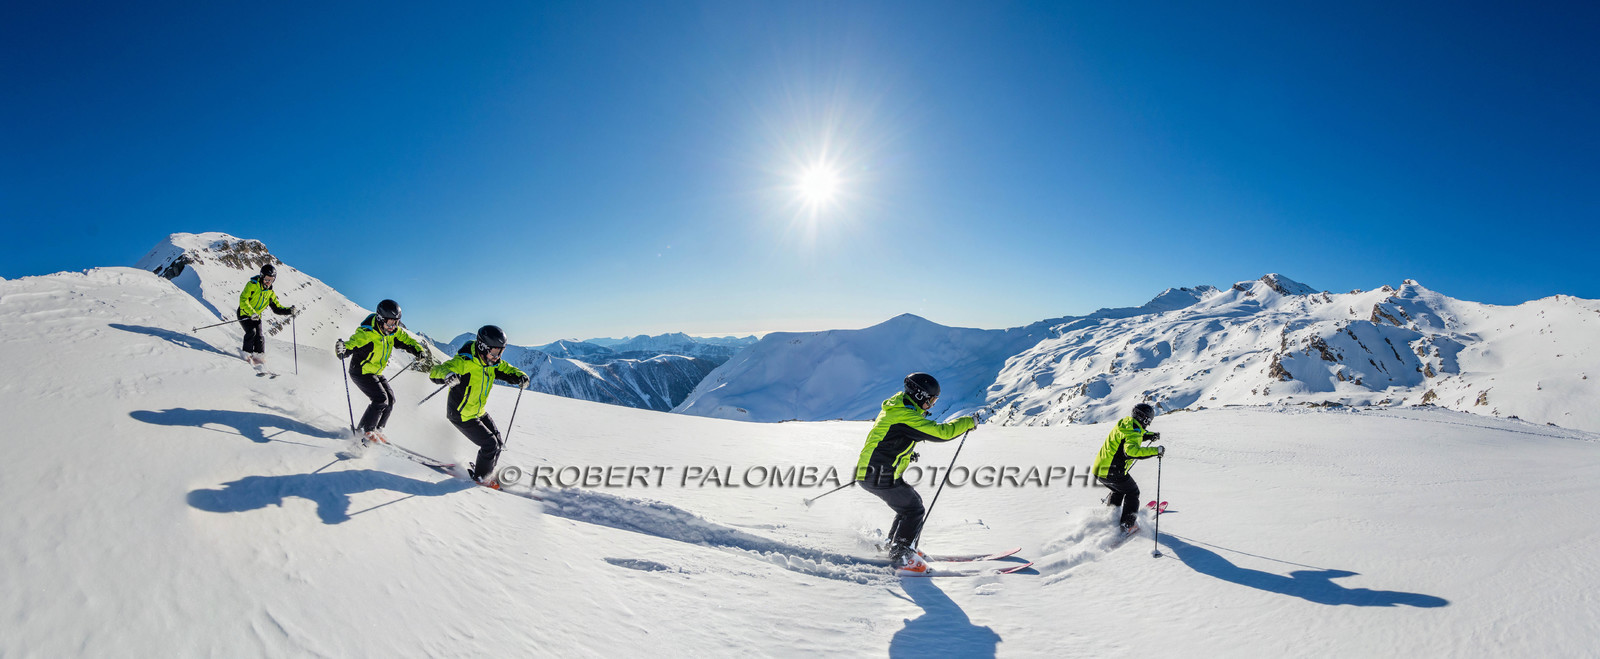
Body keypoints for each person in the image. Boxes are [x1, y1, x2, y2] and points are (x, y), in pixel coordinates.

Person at [854, 372, 978, 572]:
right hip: (879, 473)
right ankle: (901, 554)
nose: (932, 405)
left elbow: (887, 438)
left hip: (875, 471)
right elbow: (942, 433)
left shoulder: (898, 408)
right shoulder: (905, 416)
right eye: (932, 400)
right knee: (914, 509)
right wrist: (968, 422)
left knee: (909, 507)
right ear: (920, 396)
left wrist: (904, 453)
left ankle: (898, 546)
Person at [428, 325, 529, 489]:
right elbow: (436, 371)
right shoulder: (464, 362)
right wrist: (447, 375)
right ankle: (481, 478)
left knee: (498, 441)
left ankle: (486, 471)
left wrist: (520, 376)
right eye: (494, 352)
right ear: (482, 347)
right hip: (461, 413)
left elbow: (506, 369)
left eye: (501, 352)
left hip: (477, 412)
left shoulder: (492, 363)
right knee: (490, 445)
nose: (497, 356)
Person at [335, 299, 429, 446]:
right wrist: (343, 349)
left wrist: (418, 350)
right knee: (380, 399)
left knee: (390, 400)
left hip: (375, 372)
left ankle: (377, 429)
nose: (393, 327)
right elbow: (351, 344)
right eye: (390, 323)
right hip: (360, 371)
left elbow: (408, 341)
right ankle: (367, 430)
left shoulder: (393, 332)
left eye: (396, 323)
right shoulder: (367, 333)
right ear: (380, 319)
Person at [1093, 402, 1165, 535]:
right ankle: (1128, 525)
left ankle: (1111, 517)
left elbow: (1134, 435)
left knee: (1118, 491)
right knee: (1133, 492)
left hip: (1099, 470)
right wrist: (1156, 451)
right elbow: (1131, 451)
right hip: (1113, 471)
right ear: (1145, 419)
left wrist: (1149, 435)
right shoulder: (1134, 431)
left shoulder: (1125, 423)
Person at [237, 263, 296, 371]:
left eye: (271, 280)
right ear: (262, 277)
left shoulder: (270, 293)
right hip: (244, 314)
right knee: (252, 332)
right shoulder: (252, 285)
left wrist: (289, 311)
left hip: (256, 316)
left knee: (260, 337)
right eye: (267, 279)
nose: (268, 282)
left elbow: (277, 308)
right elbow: (243, 300)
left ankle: (259, 358)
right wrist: (252, 313)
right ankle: (246, 356)